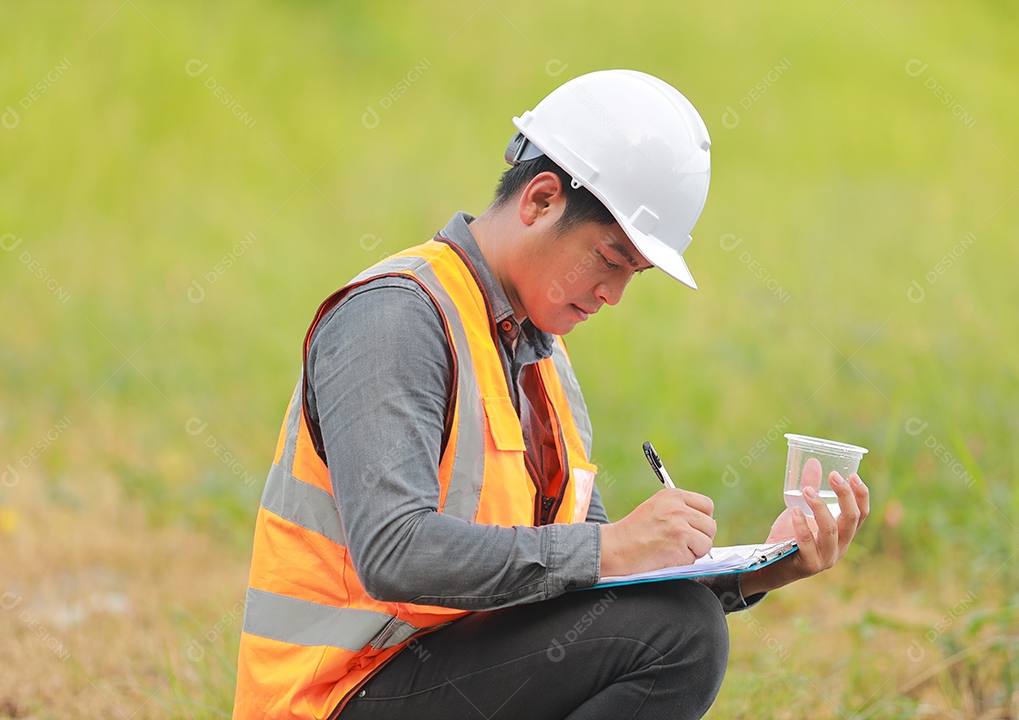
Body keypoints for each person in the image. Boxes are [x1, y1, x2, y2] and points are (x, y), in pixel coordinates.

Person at [232, 69, 869, 720]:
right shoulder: (396, 317)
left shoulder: (542, 356)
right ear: (539, 201)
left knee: (679, 622)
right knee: (679, 634)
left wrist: (760, 571)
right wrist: (610, 548)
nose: (613, 294)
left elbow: (592, 583)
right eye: (610, 259)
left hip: (443, 670)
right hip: (334, 696)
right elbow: (396, 553)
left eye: (635, 273)